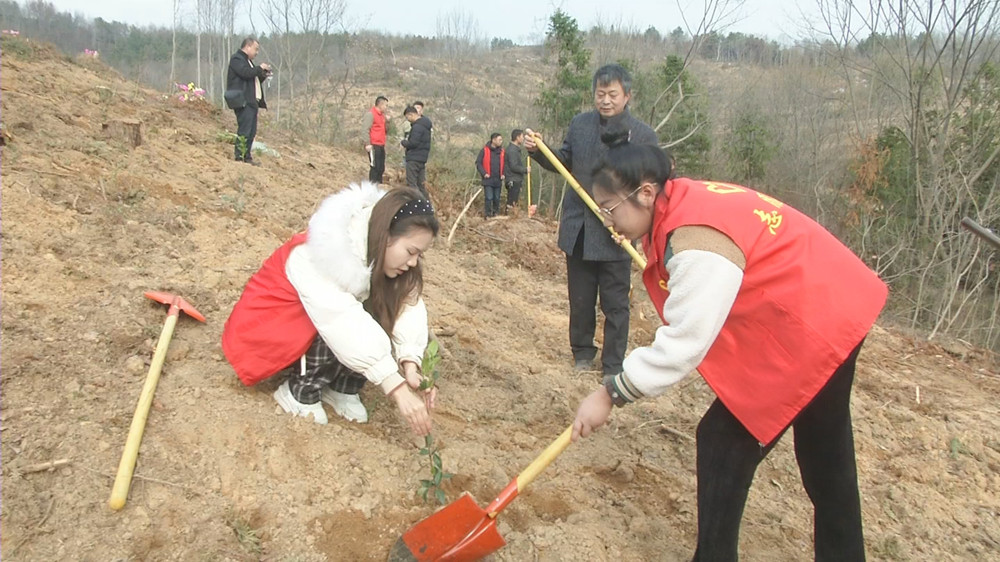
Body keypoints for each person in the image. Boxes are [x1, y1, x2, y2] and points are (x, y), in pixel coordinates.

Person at [571, 139, 888, 561]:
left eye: (610, 209)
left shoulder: (697, 236)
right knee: (825, 451)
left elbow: (687, 339)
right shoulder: (682, 205)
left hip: (819, 318)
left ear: (645, 193)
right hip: (829, 304)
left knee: (725, 441)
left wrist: (610, 393)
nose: (608, 222)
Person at [221, 183, 439, 436]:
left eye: (418, 256)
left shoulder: (383, 259)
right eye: (410, 252)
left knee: (377, 306)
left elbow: (407, 307)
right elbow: (339, 319)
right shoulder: (320, 253)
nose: (412, 263)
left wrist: (410, 364)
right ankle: (300, 391)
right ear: (386, 236)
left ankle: (342, 387)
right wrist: (396, 387)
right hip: (266, 331)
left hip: (318, 323)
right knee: (343, 318)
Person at [523, 63, 657, 375]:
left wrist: (631, 220)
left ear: (627, 96)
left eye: (612, 94)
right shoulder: (580, 125)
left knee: (615, 303)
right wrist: (539, 151)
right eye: (600, 94)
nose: (605, 100)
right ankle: (582, 353)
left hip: (617, 234)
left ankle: (613, 364)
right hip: (580, 227)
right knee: (581, 300)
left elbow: (650, 187)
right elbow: (564, 163)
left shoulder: (643, 136)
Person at [226, 37, 272, 166]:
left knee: (251, 131)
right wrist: (259, 68)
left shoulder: (249, 62)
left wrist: (262, 74)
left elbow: (252, 79)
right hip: (243, 101)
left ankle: (247, 156)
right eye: (256, 49)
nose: (257, 52)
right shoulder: (237, 59)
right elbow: (245, 73)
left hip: (252, 101)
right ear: (248, 46)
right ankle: (239, 156)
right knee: (245, 129)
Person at [400, 105, 432, 196]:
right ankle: (426, 206)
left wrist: (403, 143)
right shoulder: (426, 125)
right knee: (421, 185)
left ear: (411, 114)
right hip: (422, 159)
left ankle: (417, 205)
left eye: (407, 117)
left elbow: (413, 143)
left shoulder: (417, 127)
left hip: (413, 158)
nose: (408, 120)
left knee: (412, 184)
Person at [476, 133, 505, 218]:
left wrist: (503, 174)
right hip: (488, 179)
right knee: (489, 198)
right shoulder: (484, 150)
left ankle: (495, 214)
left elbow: (505, 165)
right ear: (493, 140)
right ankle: (488, 215)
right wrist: (484, 173)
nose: (501, 142)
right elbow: (478, 163)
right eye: (499, 140)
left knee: (497, 198)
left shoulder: (502, 152)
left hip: (498, 179)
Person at [362, 96, 390, 184]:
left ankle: (379, 184)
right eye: (385, 105)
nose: (386, 107)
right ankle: (372, 185)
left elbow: (386, 130)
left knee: (381, 167)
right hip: (373, 144)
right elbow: (365, 129)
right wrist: (367, 143)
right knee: (375, 167)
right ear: (380, 104)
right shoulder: (370, 114)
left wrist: (388, 121)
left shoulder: (382, 116)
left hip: (381, 144)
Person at [504, 129, 527, 212]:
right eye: (522, 136)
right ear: (517, 137)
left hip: (516, 179)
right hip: (512, 179)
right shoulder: (512, 150)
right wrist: (525, 170)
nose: (523, 138)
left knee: (514, 202)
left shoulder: (515, 150)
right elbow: (513, 166)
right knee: (511, 202)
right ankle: (508, 219)